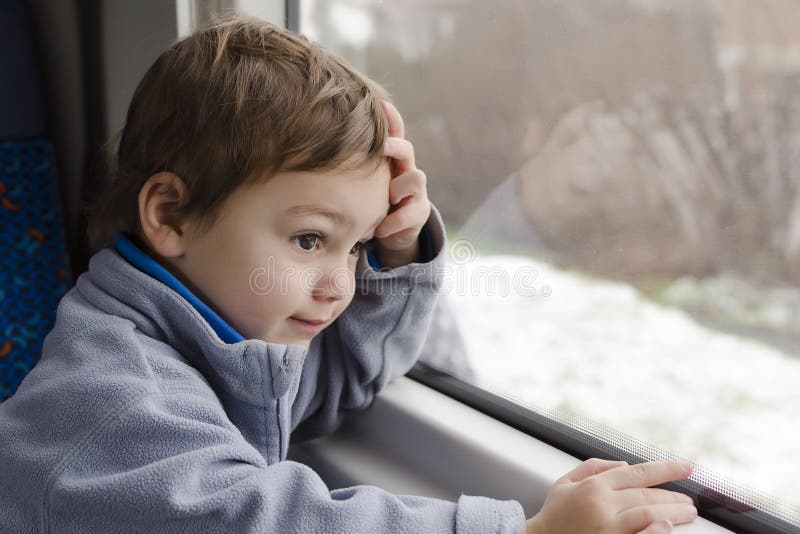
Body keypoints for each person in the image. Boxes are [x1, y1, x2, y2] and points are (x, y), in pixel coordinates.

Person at [0, 16, 697, 534]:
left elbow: (338, 384)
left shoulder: (220, 333)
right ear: (172, 215)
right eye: (310, 239)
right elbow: (260, 523)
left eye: (356, 246)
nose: (341, 284)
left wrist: (396, 258)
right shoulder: (111, 404)